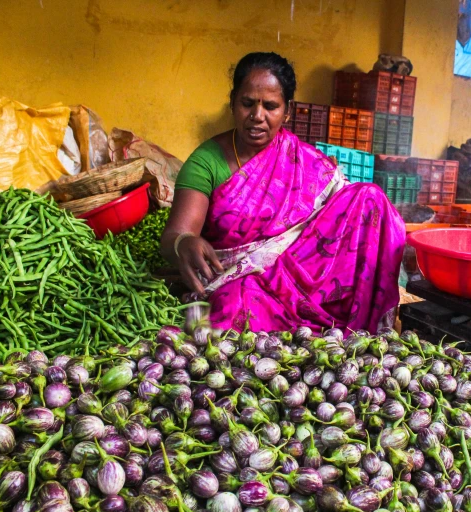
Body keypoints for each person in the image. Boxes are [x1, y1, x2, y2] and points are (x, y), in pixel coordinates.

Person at [161, 52, 405, 333]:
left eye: (271, 106)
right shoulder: (206, 161)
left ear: (287, 111)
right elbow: (173, 236)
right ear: (232, 102)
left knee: (369, 197)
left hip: (305, 274)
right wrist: (184, 243)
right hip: (242, 282)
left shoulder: (301, 160)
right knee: (235, 309)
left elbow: (340, 214)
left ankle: (347, 324)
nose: (257, 116)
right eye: (247, 103)